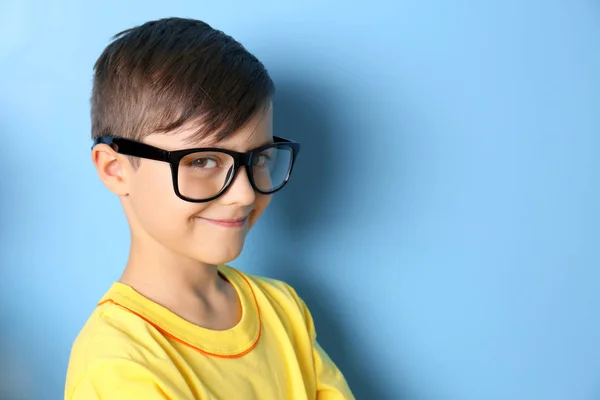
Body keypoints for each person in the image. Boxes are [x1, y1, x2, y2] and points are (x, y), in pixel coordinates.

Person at [64, 17, 354, 400]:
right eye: (202, 161)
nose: (245, 194)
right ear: (115, 169)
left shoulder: (283, 309)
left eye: (260, 158)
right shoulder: (117, 364)